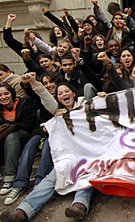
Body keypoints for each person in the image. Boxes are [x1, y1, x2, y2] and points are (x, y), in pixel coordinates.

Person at [1, 74, 93, 221]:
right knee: (50, 179)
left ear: (74, 93)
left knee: (87, 175)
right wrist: (34, 82)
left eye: (66, 91)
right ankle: (22, 212)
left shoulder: (87, 105)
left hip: (91, 154)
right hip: (69, 156)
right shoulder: (58, 112)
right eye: (60, 93)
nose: (64, 94)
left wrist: (102, 96)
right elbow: (45, 96)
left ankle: (79, 206)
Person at [0, 83, 35, 195]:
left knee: (11, 136)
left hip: (24, 134)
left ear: (12, 94)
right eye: (0, 95)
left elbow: (29, 123)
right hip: (5, 137)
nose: (4, 97)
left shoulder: (23, 103)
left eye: (6, 93)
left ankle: (9, 177)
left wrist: (12, 126)